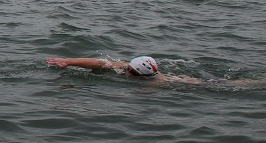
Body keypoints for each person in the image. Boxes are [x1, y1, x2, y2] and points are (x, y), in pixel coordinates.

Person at [46, 55, 266, 87]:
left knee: (223, 84)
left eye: (128, 68)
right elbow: (100, 63)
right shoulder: (124, 67)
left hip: (178, 83)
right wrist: (68, 62)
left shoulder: (156, 85)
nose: (125, 68)